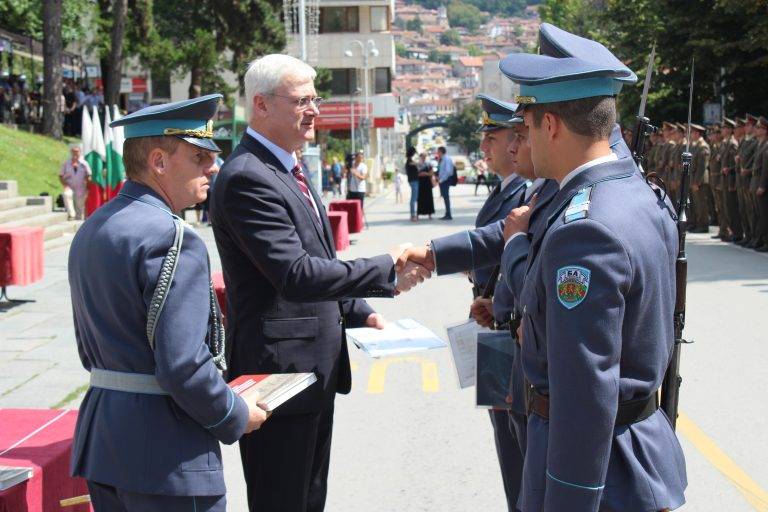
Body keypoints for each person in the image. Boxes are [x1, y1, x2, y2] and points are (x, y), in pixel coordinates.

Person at [209, 54, 430, 512]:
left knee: (309, 498)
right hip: (278, 374)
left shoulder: (287, 165)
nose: (314, 109)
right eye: (302, 99)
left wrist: (359, 310)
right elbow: (295, 275)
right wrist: (386, 264)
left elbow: (317, 261)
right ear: (262, 105)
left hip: (309, 370)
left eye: (316, 97)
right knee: (283, 499)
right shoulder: (249, 176)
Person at [499, 46, 686, 511]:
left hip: (599, 477)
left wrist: (570, 501)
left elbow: (584, 393)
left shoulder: (584, 230)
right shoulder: (639, 194)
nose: (522, 143)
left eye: (525, 128)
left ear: (551, 125)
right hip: (637, 457)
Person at [67, 94, 269, 512]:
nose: (212, 167)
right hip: (167, 453)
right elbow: (183, 366)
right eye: (198, 158)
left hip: (105, 442)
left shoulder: (94, 227)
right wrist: (233, 413)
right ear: (159, 162)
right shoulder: (173, 238)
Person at [720, 118, 742, 242]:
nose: (722, 130)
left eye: (724, 128)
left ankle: (737, 233)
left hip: (731, 180)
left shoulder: (733, 143)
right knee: (727, 207)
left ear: (729, 130)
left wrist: (730, 169)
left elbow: (736, 165)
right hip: (725, 179)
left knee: (733, 208)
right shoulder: (725, 143)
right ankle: (732, 232)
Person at [59, 145, 92, 220]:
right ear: (71, 152)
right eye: (73, 152)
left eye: (77, 152)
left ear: (80, 152)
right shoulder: (66, 163)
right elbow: (60, 175)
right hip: (69, 186)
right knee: (67, 194)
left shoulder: (84, 163)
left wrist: (87, 186)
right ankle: (71, 214)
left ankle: (79, 220)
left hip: (81, 187)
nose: (75, 154)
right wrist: (65, 185)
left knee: (80, 206)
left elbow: (89, 175)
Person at [689, 123, 711, 233]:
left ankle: (703, 225)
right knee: (697, 204)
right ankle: (698, 224)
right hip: (695, 179)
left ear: (697, 133)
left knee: (702, 203)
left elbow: (702, 167)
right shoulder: (695, 145)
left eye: (692, 132)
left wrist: (696, 182)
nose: (690, 134)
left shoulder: (703, 146)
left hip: (700, 179)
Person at [436, 146, 454, 219]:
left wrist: (441, 180)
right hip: (443, 180)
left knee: (446, 197)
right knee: (445, 197)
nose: (437, 153)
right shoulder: (442, 159)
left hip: (445, 181)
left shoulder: (446, 159)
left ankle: (448, 214)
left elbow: (448, 171)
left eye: (438, 151)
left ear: (441, 152)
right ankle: (447, 213)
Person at [417, 152, 435, 219]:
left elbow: (431, 173)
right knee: (420, 198)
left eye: (424, 157)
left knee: (428, 198)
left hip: (427, 183)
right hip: (420, 183)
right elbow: (415, 174)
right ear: (420, 157)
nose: (423, 158)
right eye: (422, 157)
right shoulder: (417, 165)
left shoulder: (429, 164)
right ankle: (418, 214)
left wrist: (426, 174)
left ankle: (430, 214)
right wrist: (420, 174)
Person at [405, 146, 420, 221]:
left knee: (414, 198)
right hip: (414, 181)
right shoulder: (410, 161)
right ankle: (413, 215)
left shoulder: (409, 160)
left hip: (413, 180)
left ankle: (414, 214)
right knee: (413, 199)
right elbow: (418, 164)